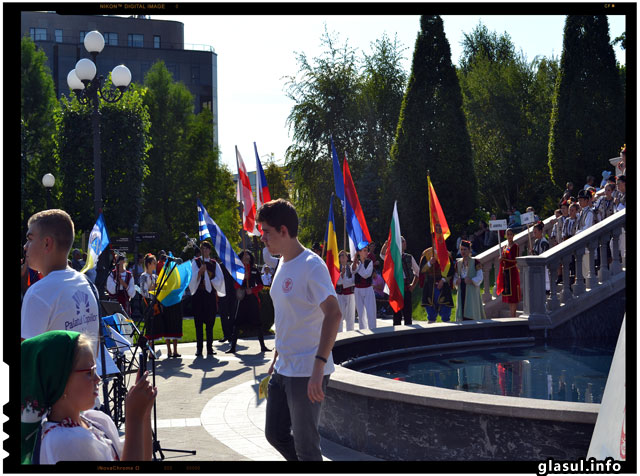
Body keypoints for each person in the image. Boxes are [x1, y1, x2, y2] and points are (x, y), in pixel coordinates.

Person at [257, 199, 341, 461]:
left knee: (307, 447)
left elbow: (334, 314)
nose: (263, 238)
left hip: (307, 370)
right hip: (284, 367)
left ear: (283, 230)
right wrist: (275, 359)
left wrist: (318, 366)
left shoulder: (311, 265)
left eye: (266, 232)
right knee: (275, 433)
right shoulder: (282, 262)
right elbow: (286, 316)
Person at [21, 330, 156, 464]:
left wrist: (144, 413)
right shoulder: (65, 441)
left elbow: (143, 458)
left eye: (95, 370)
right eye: (89, 372)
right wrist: (134, 417)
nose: (97, 379)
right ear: (60, 382)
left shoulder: (95, 420)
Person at [21, 209, 99, 352]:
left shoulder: (38, 293)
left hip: (56, 375)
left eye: (30, 239)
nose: (25, 246)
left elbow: (27, 360)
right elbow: (96, 344)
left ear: (47, 243)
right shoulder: (87, 284)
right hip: (90, 373)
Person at [226, 250, 270, 354]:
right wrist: (242, 278)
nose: (246, 257)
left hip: (252, 299)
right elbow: (235, 286)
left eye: (248, 255)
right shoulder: (238, 270)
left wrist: (252, 290)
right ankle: (233, 347)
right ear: (240, 258)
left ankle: (263, 346)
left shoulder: (255, 270)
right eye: (244, 255)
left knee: (258, 322)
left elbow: (260, 285)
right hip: (242, 299)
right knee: (237, 323)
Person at [188, 241, 225, 358]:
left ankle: (210, 347)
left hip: (210, 297)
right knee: (198, 323)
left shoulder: (214, 264)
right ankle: (199, 349)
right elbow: (191, 278)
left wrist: (210, 281)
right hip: (199, 296)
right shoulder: (196, 262)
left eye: (206, 249)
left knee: (210, 323)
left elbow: (220, 279)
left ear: (209, 250)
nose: (205, 251)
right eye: (202, 249)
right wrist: (199, 273)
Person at [380, 236, 419, 326]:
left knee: (407, 314)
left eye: (404, 241)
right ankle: (397, 335)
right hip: (395, 288)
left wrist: (413, 285)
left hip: (406, 287)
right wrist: (386, 245)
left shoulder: (409, 257)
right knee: (396, 314)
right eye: (401, 241)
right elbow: (382, 255)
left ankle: (408, 334)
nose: (404, 243)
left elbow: (418, 272)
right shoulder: (392, 257)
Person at [419, 247, 454, 323]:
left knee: (445, 313)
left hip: (443, 287)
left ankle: (447, 332)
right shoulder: (426, 253)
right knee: (431, 314)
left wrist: (443, 280)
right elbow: (422, 270)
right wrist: (429, 263)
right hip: (430, 287)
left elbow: (451, 271)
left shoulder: (446, 254)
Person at [453, 240, 485, 321]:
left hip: (472, 292)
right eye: (461, 249)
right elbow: (455, 277)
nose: (463, 251)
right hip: (462, 290)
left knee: (472, 312)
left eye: (465, 249)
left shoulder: (475, 262)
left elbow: (480, 277)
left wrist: (471, 281)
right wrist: (457, 281)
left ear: (469, 250)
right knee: (462, 311)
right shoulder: (458, 263)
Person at [497, 228, 521, 317]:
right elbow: (505, 258)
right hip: (506, 273)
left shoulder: (515, 246)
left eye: (511, 234)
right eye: (508, 234)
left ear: (513, 235)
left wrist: (504, 259)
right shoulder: (505, 247)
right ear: (506, 235)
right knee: (509, 295)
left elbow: (515, 260)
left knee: (513, 295)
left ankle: (513, 315)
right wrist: (502, 259)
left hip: (513, 272)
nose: (509, 236)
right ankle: (512, 314)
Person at [352, 242, 377, 330]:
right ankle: (363, 329)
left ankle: (373, 329)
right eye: (364, 251)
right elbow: (353, 271)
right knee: (361, 312)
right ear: (359, 252)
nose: (366, 252)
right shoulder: (355, 262)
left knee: (371, 311)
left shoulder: (369, 262)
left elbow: (366, 274)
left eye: (367, 250)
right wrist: (356, 262)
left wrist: (360, 265)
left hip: (368, 289)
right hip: (358, 290)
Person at [217, 261, 238, 344]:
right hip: (222, 292)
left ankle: (231, 334)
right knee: (223, 315)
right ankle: (226, 334)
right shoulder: (219, 266)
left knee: (232, 314)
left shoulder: (233, 266)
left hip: (233, 293)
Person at [336, 250, 356, 332]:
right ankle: (340, 335)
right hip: (340, 295)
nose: (343, 257)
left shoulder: (351, 268)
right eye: (341, 256)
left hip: (350, 295)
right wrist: (341, 275)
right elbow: (337, 282)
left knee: (350, 317)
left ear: (347, 258)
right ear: (339, 258)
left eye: (345, 256)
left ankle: (350, 334)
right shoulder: (336, 268)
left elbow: (353, 281)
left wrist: (344, 280)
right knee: (339, 317)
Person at [531, 222, 550, 292]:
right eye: (533, 232)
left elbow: (543, 255)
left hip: (543, 267)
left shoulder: (544, 242)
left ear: (540, 231)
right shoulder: (536, 241)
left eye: (535, 232)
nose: (534, 233)